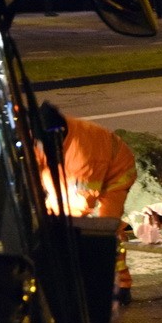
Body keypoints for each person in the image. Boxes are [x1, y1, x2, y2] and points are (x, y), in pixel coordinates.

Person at [37, 102, 138, 305]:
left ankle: (121, 285)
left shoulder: (84, 155)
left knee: (107, 227)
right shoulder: (44, 133)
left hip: (116, 174)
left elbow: (81, 203)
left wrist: (50, 214)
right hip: (73, 168)